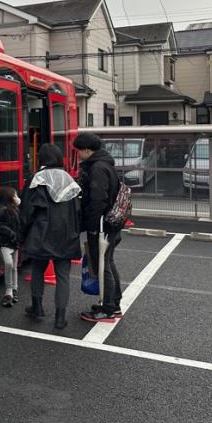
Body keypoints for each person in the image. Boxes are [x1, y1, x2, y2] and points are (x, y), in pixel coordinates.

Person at [19, 143, 81, 330]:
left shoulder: (36, 179)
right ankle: (60, 318)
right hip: (66, 233)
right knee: (63, 276)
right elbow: (77, 210)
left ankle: (37, 308)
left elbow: (26, 211)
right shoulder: (69, 179)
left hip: (41, 233)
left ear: (42, 158)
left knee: (38, 269)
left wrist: (22, 234)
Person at [73, 132, 122, 323]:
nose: (78, 156)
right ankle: (113, 304)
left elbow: (97, 200)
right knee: (108, 262)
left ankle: (108, 309)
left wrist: (92, 226)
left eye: (79, 152)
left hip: (102, 226)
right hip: (111, 223)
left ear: (86, 150)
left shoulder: (98, 168)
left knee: (104, 265)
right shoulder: (105, 164)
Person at [0, 187, 21, 307]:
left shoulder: (14, 209)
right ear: (9, 197)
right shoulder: (1, 210)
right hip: (5, 243)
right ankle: (9, 291)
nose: (17, 198)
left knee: (14, 267)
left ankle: (14, 290)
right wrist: (11, 233)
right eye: (15, 195)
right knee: (9, 265)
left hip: (13, 243)